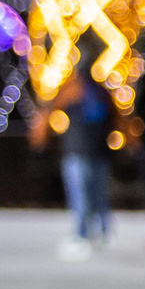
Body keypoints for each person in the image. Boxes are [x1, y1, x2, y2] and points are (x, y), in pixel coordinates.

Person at [55, 71, 113, 261]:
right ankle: (102, 231)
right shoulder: (102, 92)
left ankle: (82, 235)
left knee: (81, 195)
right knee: (97, 195)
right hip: (98, 152)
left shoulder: (72, 89)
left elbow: (50, 110)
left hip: (78, 151)